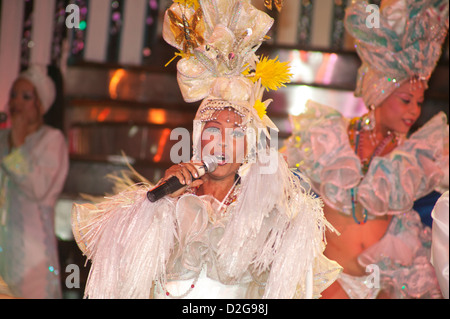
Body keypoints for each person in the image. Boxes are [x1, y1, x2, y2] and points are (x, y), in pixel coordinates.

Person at [72, 0, 341, 299]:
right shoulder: (168, 202)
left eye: (237, 133)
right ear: (198, 138)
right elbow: (117, 266)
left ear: (249, 147)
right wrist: (156, 206)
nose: (223, 142)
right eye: (213, 130)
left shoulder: (269, 217)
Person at [284, 0, 449, 299]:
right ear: (379, 93)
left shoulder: (417, 154)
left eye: (419, 102)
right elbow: (283, 190)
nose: (413, 111)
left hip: (383, 287)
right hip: (322, 280)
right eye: (405, 99)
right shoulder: (329, 134)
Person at [0, 64, 69, 298]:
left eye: (26, 96)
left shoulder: (52, 140)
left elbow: (38, 189)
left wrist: (18, 143)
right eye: (13, 95)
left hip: (33, 257)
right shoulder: (2, 139)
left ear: (41, 104)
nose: (16, 102)